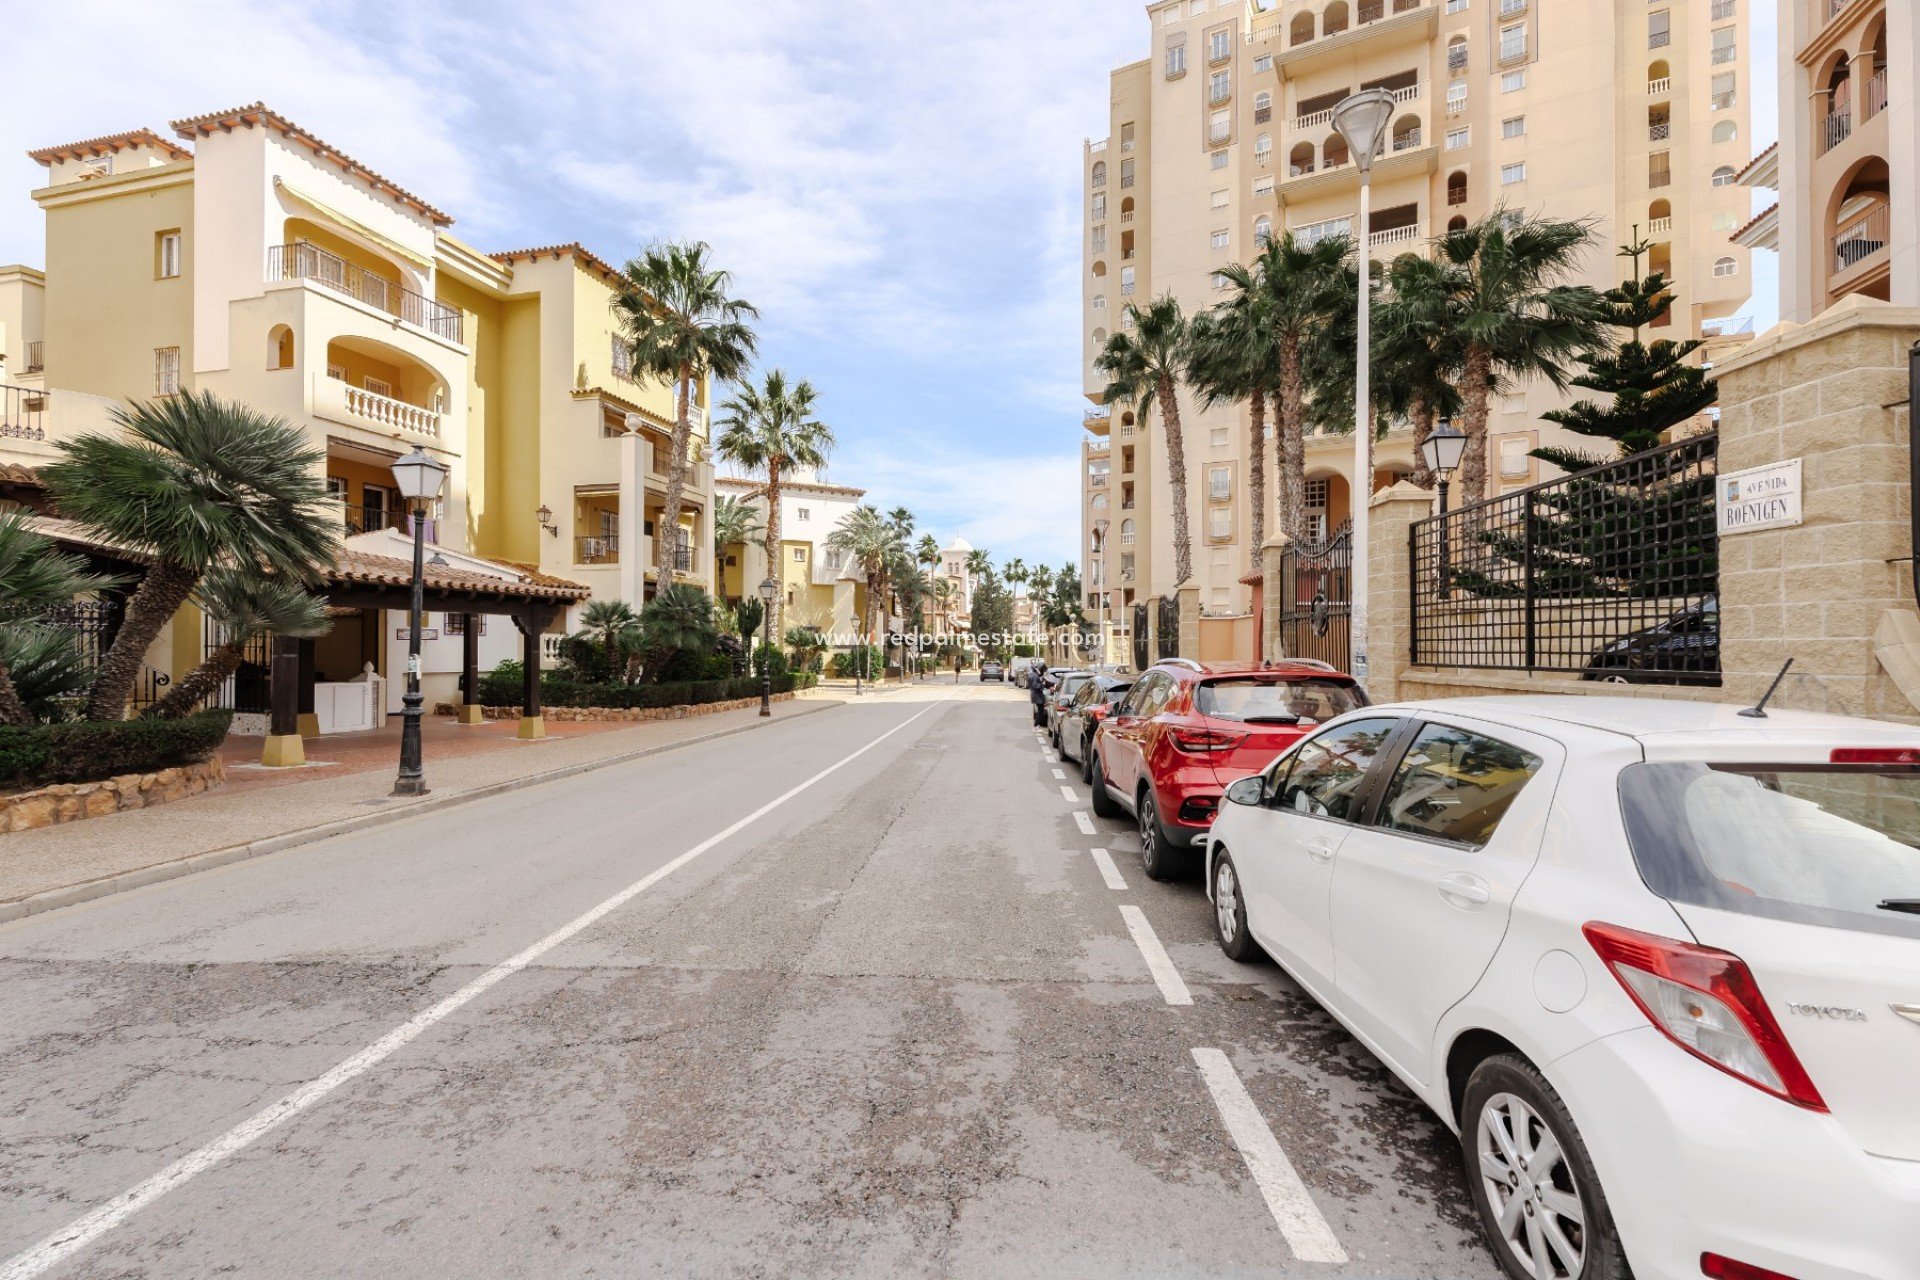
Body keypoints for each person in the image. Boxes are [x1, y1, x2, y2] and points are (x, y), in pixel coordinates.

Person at [1029, 660, 1049, 727]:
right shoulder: (1035, 676)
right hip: (1037, 696)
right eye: (1043, 670)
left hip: (1036, 696)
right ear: (1040, 669)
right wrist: (1042, 685)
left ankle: (1037, 725)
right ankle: (1036, 725)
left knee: (1041, 710)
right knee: (1041, 711)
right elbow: (1036, 686)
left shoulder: (1034, 675)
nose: (1043, 672)